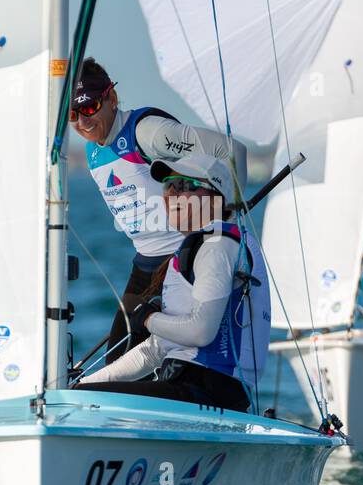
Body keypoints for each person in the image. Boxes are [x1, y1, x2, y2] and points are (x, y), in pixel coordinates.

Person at [69, 57, 242, 360]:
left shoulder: (147, 132)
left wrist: (231, 218)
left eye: (89, 108)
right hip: (144, 263)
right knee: (118, 359)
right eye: (73, 114)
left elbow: (228, 150)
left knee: (155, 357)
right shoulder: (91, 149)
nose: (82, 122)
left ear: (111, 98)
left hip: (183, 255)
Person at [76, 150, 268, 412]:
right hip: (184, 387)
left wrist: (148, 319)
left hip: (209, 392)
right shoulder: (197, 246)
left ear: (216, 196)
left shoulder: (217, 246)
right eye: (169, 185)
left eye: (187, 186)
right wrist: (79, 385)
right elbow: (155, 350)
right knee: (78, 398)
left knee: (85, 407)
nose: (173, 194)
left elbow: (201, 331)